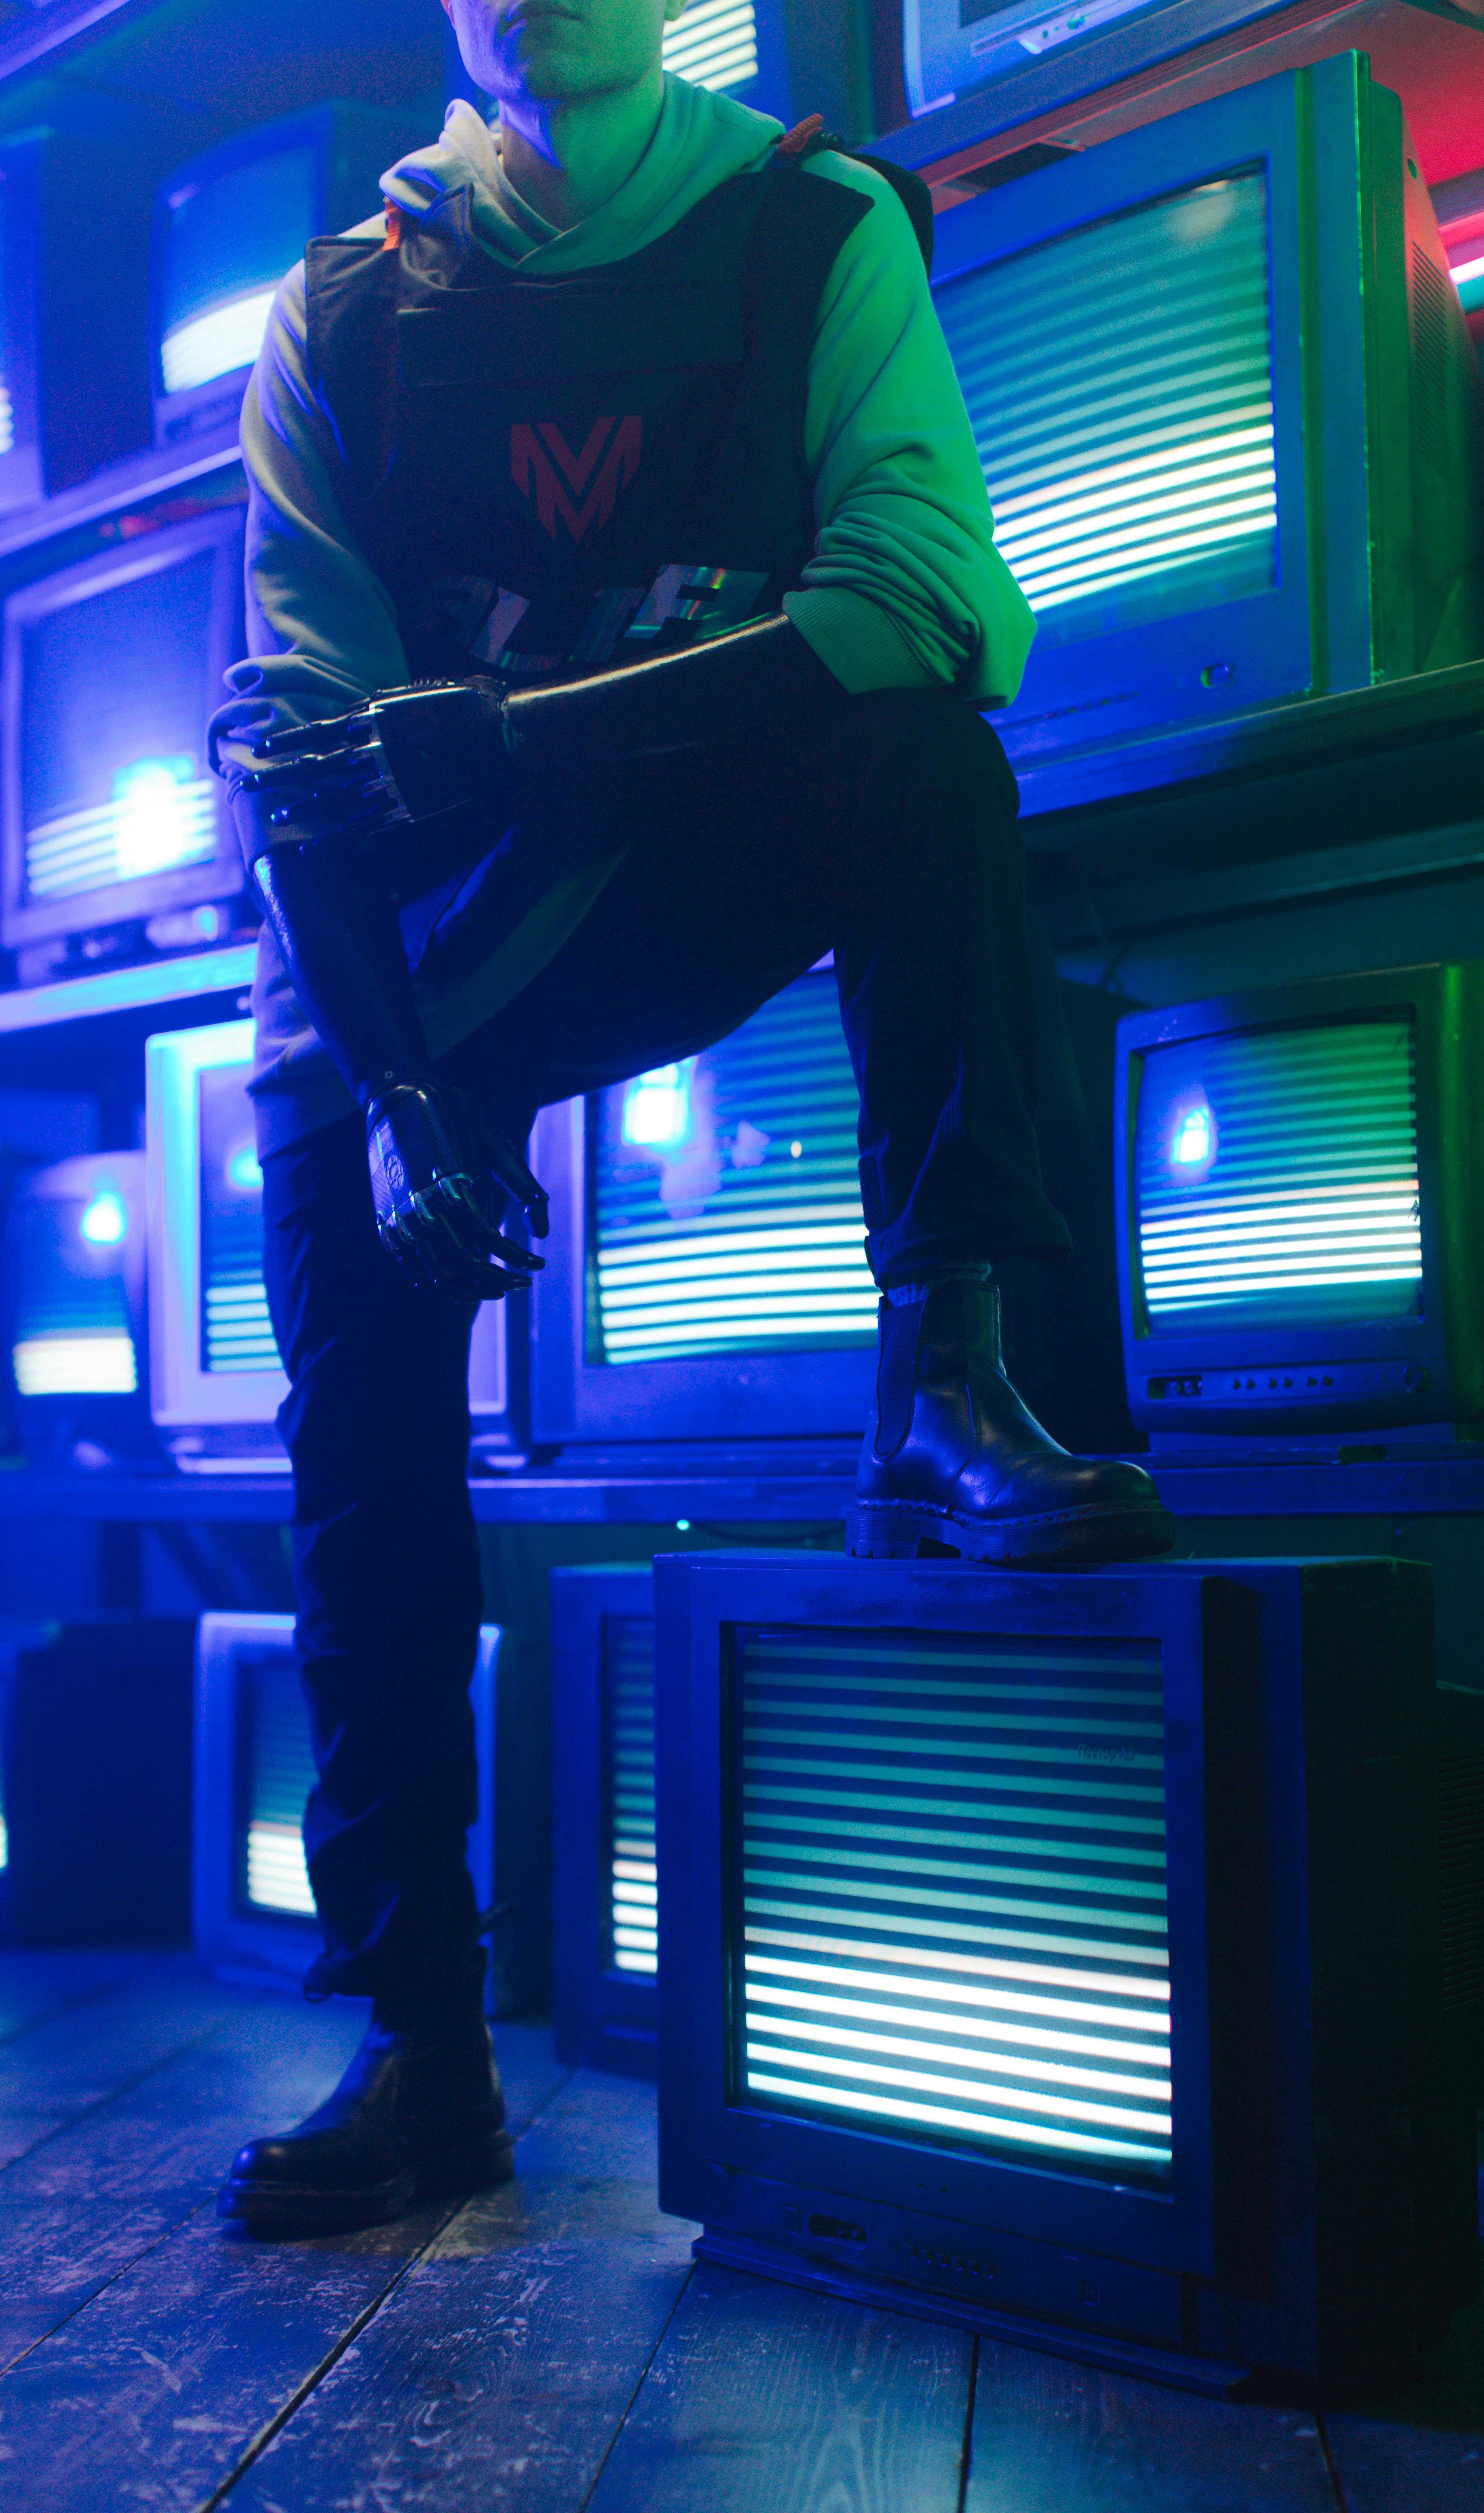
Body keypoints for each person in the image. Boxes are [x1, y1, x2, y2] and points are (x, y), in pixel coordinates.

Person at [211, 0, 1172, 2238]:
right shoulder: (339, 309)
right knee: (364, 1459)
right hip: (400, 969)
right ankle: (423, 2048)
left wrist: (518, 740)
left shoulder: (811, 225)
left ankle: (948, 1375)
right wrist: (394, 1100)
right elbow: (292, 756)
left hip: (644, 849)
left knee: (928, 748)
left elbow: (930, 599)